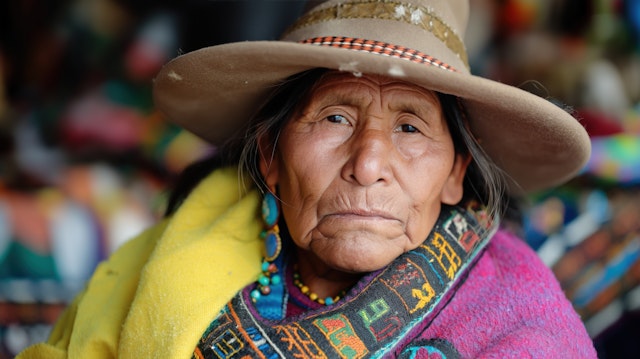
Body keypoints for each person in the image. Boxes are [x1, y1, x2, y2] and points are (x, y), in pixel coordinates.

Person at [18, 0, 598, 357]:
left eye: (411, 129)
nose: (368, 165)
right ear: (270, 154)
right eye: (336, 117)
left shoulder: (520, 320)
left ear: (455, 175)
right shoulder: (176, 251)